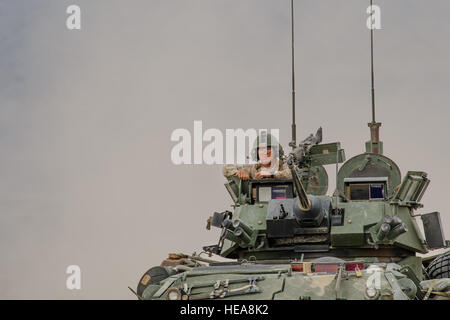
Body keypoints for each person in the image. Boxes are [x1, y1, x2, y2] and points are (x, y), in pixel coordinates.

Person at [222, 132, 292, 181]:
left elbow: (291, 174)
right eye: (261, 149)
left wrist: (271, 174)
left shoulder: (284, 166)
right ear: (257, 153)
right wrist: (238, 173)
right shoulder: (253, 169)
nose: (265, 152)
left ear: (276, 151)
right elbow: (226, 169)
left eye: (268, 149)